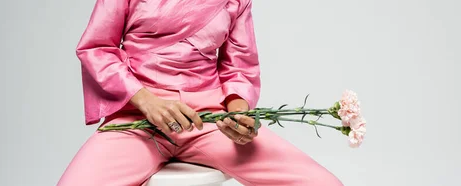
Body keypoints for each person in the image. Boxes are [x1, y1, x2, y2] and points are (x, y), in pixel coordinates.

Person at [57, 0, 343, 185]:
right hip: (137, 121)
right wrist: (148, 102)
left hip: (209, 121)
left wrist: (239, 115)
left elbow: (239, 67)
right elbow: (96, 48)